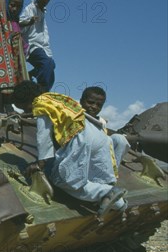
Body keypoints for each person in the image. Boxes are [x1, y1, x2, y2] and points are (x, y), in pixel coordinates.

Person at [12, 81, 127, 217]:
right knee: (96, 176)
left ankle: (106, 193)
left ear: (27, 101)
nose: (27, 112)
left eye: (24, 108)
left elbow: (44, 136)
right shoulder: (55, 98)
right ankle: (118, 204)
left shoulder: (40, 104)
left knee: (64, 179)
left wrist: (40, 163)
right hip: (99, 136)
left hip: (81, 138)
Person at [80, 86, 131, 163]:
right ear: (81, 101)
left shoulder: (101, 123)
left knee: (120, 139)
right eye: (90, 102)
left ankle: (112, 172)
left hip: (95, 158)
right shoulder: (73, 117)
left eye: (99, 105)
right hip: (79, 155)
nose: (94, 107)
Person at [20, 0, 55, 92]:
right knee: (47, 63)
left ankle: (31, 76)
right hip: (32, 46)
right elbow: (20, 23)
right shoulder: (30, 8)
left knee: (51, 66)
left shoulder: (43, 11)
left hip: (43, 46)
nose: (45, 1)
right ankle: (41, 90)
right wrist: (29, 22)